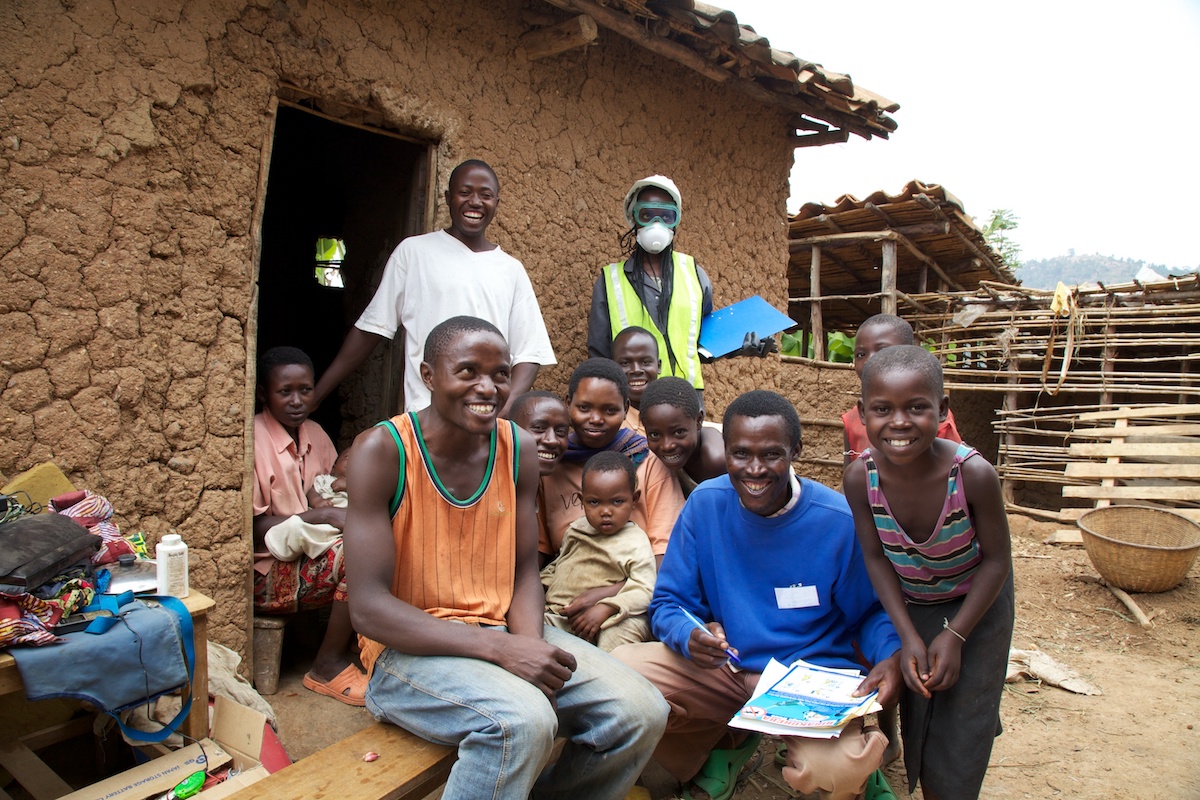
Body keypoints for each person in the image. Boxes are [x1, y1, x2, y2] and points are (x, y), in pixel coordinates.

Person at [343, 316, 667, 800]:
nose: (488, 387)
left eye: (499, 374)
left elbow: (521, 572)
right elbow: (367, 606)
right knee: (523, 721)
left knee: (641, 710)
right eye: (468, 371)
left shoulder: (518, 449)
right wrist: (502, 651)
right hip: (406, 653)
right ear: (429, 375)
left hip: (500, 631)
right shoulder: (382, 451)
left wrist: (530, 647)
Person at [614, 390, 902, 800]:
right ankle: (724, 746)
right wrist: (690, 634)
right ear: (724, 450)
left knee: (833, 771)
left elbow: (871, 612)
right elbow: (669, 604)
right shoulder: (705, 506)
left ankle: (853, 766)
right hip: (727, 668)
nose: (754, 469)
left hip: (806, 680)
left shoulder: (836, 522)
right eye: (740, 453)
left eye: (771, 454)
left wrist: (890, 655)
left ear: (796, 451)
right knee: (620, 678)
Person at [843, 345, 1014, 800]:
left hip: (979, 597)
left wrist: (956, 635)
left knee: (960, 723)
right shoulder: (861, 477)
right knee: (925, 695)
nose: (899, 422)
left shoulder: (973, 474)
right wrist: (910, 638)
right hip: (913, 600)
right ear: (863, 413)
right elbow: (876, 559)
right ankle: (967, 710)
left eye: (916, 407)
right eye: (882, 409)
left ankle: (964, 748)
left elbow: (998, 561)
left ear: (941, 409)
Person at [313, 159, 555, 416]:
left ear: (497, 202)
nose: (475, 202)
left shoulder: (511, 269)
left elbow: (529, 351)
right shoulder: (414, 252)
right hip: (425, 418)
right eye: (465, 192)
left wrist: (502, 411)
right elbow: (372, 329)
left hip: (484, 420)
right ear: (448, 197)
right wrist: (317, 395)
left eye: (485, 195)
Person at [252, 346, 367, 706]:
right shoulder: (253, 440)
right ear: (263, 394)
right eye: (284, 392)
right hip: (266, 571)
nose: (297, 400)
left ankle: (362, 642)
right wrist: (321, 516)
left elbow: (332, 489)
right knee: (360, 554)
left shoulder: (315, 433)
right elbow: (252, 528)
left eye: (306, 389)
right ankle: (326, 664)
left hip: (312, 552)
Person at [539, 358, 685, 569]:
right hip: (568, 582)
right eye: (584, 407)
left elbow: (665, 551)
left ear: (626, 408)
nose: (596, 419)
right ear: (568, 403)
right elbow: (540, 550)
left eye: (609, 410)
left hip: (636, 585)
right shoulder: (552, 465)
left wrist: (612, 596)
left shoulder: (647, 461)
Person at [587, 176, 712, 395]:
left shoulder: (694, 274)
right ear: (633, 219)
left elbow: (702, 344)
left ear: (675, 221)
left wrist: (741, 346)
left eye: (666, 216)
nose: (657, 224)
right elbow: (599, 356)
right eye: (646, 215)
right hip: (632, 404)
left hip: (686, 402)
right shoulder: (610, 281)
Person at [541, 451, 656, 652]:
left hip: (610, 617)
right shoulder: (576, 530)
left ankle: (614, 678)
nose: (605, 511)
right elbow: (561, 564)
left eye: (617, 502)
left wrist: (606, 608)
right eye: (594, 502)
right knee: (534, 629)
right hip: (563, 615)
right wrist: (541, 586)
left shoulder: (635, 542)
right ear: (581, 500)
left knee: (619, 635)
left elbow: (645, 588)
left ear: (634, 499)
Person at [843, 314, 961, 465]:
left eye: (882, 351)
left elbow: (953, 469)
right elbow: (848, 475)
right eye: (861, 354)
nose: (870, 360)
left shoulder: (931, 418)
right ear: (863, 412)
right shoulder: (852, 419)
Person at [639, 376, 725, 497]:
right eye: (655, 435)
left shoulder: (716, 461)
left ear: (699, 420)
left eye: (678, 432)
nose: (667, 445)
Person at [610, 325, 661, 435]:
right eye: (625, 363)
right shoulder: (609, 425)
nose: (636, 370)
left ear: (659, 366)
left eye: (645, 362)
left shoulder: (673, 415)